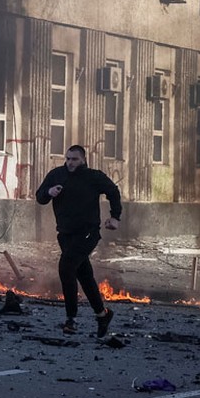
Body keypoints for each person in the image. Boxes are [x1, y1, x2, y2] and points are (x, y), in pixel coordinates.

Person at [35, 144, 121, 338]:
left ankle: (71, 319)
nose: (70, 163)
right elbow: (40, 197)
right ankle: (102, 314)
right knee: (84, 274)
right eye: (67, 159)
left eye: (74, 159)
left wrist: (115, 217)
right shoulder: (57, 175)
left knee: (66, 268)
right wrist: (50, 192)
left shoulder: (92, 176)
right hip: (65, 234)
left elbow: (113, 192)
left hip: (88, 233)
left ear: (83, 160)